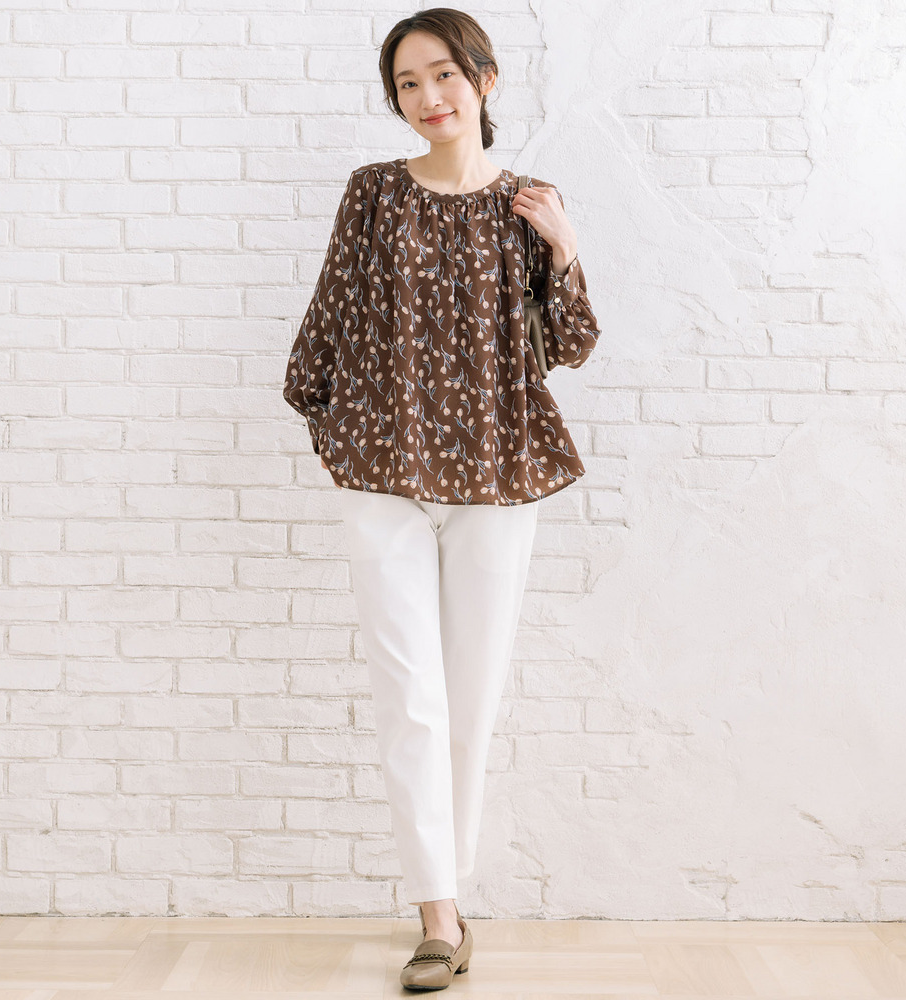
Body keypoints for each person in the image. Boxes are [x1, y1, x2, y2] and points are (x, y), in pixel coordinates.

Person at [284, 7, 602, 991]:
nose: (427, 97)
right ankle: (438, 917)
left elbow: (568, 347)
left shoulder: (529, 204)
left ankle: (449, 893)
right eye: (407, 84)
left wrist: (564, 248)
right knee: (408, 697)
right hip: (383, 472)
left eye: (442, 75)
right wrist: (329, 422)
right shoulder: (374, 193)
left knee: (470, 696)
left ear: (485, 79)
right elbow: (331, 314)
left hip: (497, 477)